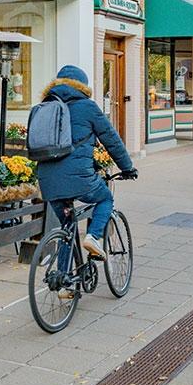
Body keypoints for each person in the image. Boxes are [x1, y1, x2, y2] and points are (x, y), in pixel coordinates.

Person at [35, 66, 136, 293]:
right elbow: (111, 140)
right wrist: (127, 167)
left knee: (67, 225)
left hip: (47, 180)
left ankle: (63, 283)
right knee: (105, 199)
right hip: (79, 178)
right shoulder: (87, 107)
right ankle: (94, 237)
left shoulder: (44, 108)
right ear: (82, 86)